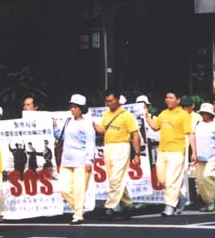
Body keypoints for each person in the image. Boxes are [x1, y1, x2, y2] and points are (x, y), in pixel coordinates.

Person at [145, 91, 196, 217]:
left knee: (172, 180)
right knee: (162, 179)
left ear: (178, 100)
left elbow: (190, 134)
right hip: (162, 151)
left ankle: (170, 206)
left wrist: (194, 152)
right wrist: (146, 115)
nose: (168, 100)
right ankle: (180, 197)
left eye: (171, 98)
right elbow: (155, 127)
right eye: (166, 97)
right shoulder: (163, 113)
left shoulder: (184, 115)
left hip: (177, 151)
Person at [93, 90, 140, 220]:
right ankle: (128, 205)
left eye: (111, 101)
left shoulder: (127, 115)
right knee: (114, 178)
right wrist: (92, 123)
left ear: (118, 99)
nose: (108, 103)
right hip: (108, 147)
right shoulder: (106, 114)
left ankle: (111, 207)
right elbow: (102, 130)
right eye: (107, 101)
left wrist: (137, 154)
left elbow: (135, 135)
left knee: (116, 178)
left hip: (122, 146)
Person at [59, 94, 95, 225]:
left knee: (79, 190)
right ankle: (79, 208)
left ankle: (78, 215)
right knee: (64, 189)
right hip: (66, 160)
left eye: (75, 107)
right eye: (71, 107)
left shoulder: (87, 124)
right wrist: (54, 127)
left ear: (82, 109)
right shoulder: (68, 121)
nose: (72, 109)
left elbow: (90, 143)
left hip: (81, 161)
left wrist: (89, 160)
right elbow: (60, 136)